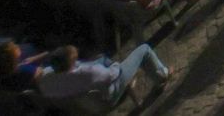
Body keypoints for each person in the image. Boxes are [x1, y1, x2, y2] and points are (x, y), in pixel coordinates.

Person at [38, 43, 170, 105]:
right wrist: (115, 64)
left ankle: (134, 85)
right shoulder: (87, 72)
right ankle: (162, 75)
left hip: (89, 105)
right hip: (110, 92)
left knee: (102, 58)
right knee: (144, 49)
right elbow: (114, 73)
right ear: (69, 62)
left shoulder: (46, 78)